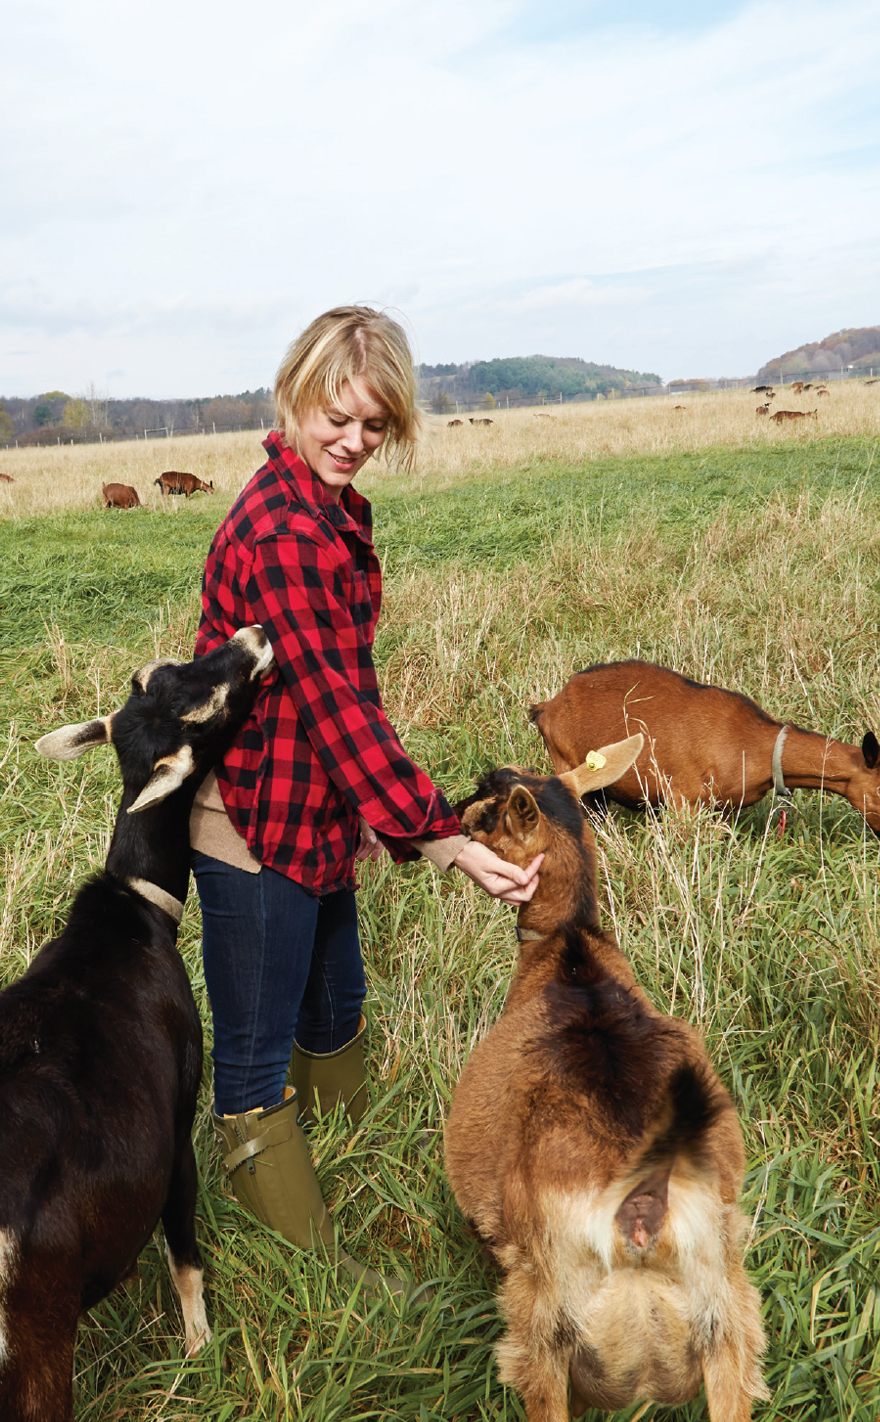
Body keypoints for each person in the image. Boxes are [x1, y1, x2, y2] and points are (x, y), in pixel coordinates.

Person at [190, 305, 541, 1286]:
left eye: (372, 426)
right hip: (253, 823)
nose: (351, 442)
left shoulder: (330, 508)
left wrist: (378, 818)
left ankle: (356, 1166)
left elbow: (343, 705)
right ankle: (312, 1277)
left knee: (336, 1000)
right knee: (256, 1064)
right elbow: (338, 709)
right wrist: (443, 838)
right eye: (333, 417)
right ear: (293, 398)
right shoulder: (285, 533)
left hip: (318, 809)